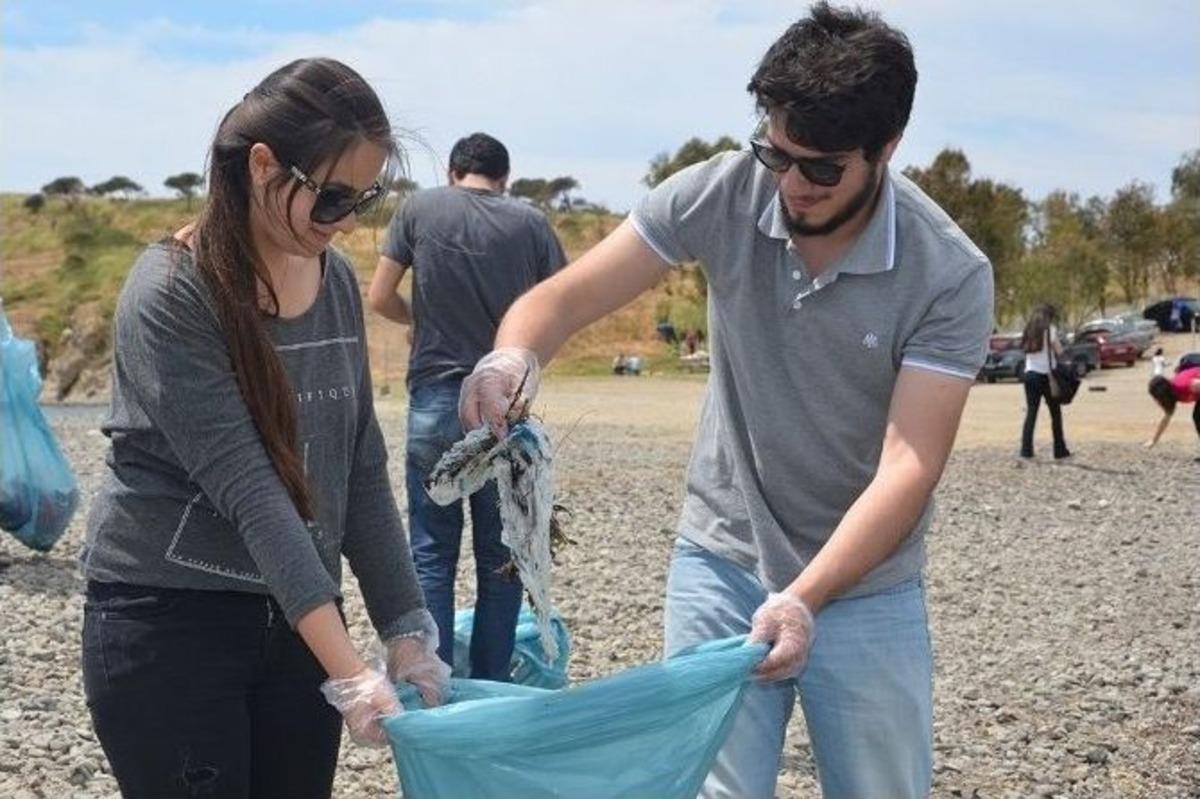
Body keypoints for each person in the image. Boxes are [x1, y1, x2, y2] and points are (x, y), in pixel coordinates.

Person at [458, 5, 993, 797]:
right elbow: (564, 299)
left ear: (886, 150)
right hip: (720, 558)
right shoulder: (723, 191)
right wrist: (510, 357)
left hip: (865, 587)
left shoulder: (946, 270)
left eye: (820, 168)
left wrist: (807, 597)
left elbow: (909, 467)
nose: (790, 184)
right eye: (776, 153)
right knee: (713, 787)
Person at [79, 59, 449, 799]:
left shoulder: (337, 282)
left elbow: (358, 469)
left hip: (301, 621)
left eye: (366, 197)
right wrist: (350, 670)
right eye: (333, 197)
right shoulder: (170, 293)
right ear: (261, 166)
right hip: (170, 620)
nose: (346, 222)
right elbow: (253, 491)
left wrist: (406, 629)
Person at [368, 132, 566, 680]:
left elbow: (380, 296)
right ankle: (490, 683)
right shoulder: (530, 222)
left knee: (430, 554)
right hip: (506, 403)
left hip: (435, 396)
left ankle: (433, 682)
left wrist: (422, 321)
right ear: (503, 177)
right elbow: (560, 307)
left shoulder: (420, 208)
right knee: (501, 561)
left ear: (455, 171)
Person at [1019, 303, 1071, 460]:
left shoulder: (1029, 330)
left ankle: (1026, 450)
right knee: (1055, 413)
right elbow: (1059, 351)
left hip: (1030, 375)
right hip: (1048, 376)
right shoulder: (1050, 330)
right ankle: (1059, 449)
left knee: (1031, 413)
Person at [1144, 366, 1200, 454]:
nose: (1156, 400)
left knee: (1197, 417)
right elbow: (1166, 419)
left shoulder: (1182, 385)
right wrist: (1154, 441)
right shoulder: (1172, 397)